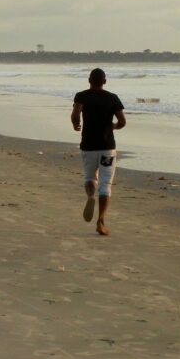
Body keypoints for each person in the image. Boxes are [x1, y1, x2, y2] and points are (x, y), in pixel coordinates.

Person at [71, 68, 125, 236]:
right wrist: (112, 127)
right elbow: (122, 121)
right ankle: (101, 221)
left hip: (88, 145)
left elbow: (75, 114)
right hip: (107, 147)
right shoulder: (112, 98)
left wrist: (76, 124)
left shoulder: (81, 96)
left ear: (89, 80)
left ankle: (90, 196)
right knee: (105, 184)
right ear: (105, 81)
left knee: (89, 178)